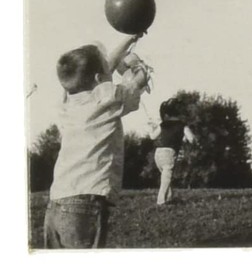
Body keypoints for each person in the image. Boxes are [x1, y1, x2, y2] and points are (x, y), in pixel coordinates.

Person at [43, 35, 148, 248]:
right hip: (85, 205)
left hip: (56, 203)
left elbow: (100, 72)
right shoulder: (109, 99)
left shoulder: (66, 102)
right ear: (100, 79)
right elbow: (138, 81)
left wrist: (129, 39)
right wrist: (138, 66)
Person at [149, 98, 197, 205]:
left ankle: (169, 198)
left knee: (165, 176)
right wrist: (189, 139)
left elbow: (152, 137)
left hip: (158, 153)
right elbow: (191, 139)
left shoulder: (163, 124)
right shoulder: (182, 125)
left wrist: (151, 128)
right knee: (166, 177)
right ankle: (161, 201)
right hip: (169, 153)